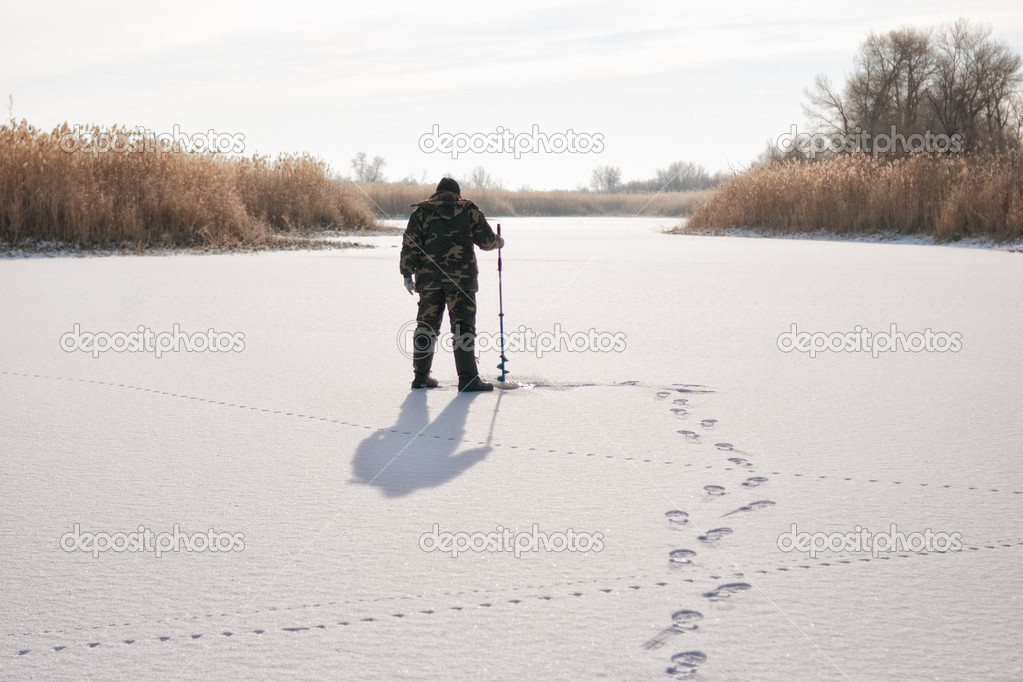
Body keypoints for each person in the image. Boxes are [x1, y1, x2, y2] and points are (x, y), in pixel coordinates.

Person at [400, 177, 504, 392]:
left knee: (426, 327)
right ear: (457, 193)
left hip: (429, 282)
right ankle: (467, 379)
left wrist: (407, 274)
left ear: (436, 193)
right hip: (462, 282)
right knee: (462, 328)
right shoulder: (469, 211)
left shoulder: (421, 213)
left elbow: (410, 245)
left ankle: (420, 377)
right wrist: (499, 241)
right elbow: (486, 242)